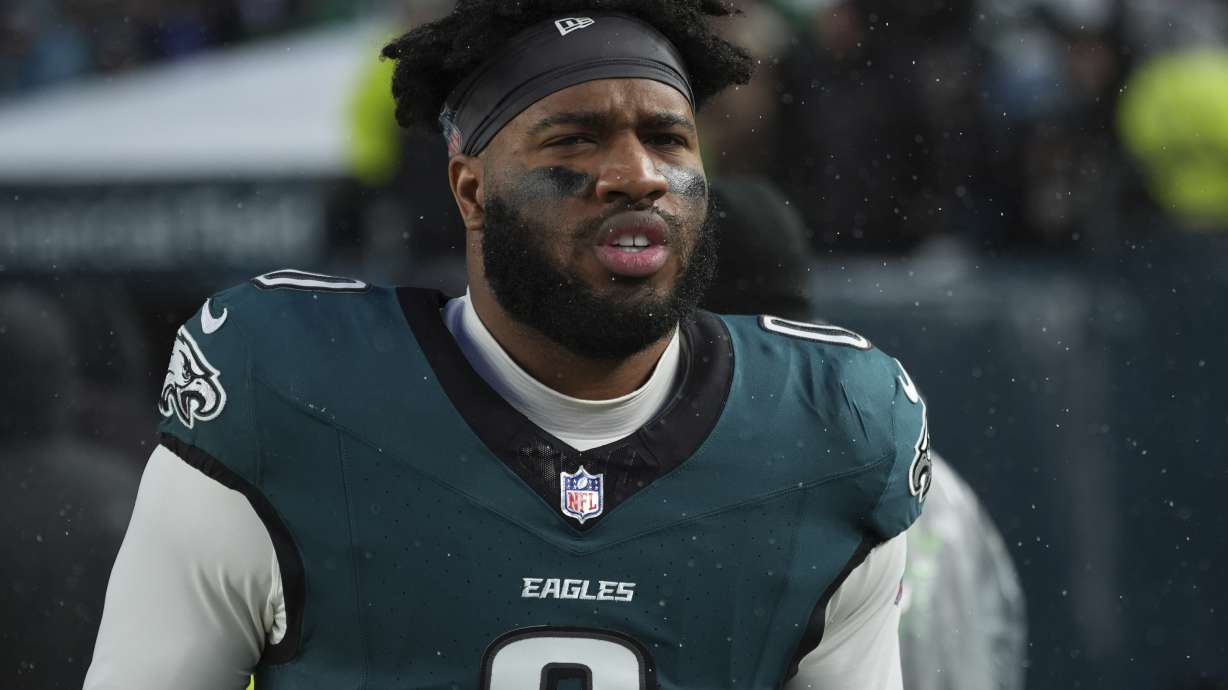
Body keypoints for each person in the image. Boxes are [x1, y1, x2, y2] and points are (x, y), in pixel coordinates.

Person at [85, 2, 932, 687]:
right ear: (470, 189)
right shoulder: (289, 394)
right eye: (575, 137)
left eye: (668, 137)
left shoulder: (828, 432)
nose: (636, 173)